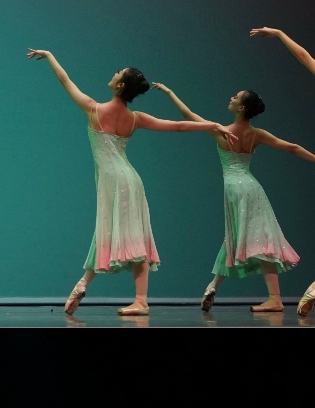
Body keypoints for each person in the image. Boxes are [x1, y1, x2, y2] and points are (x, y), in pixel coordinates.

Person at [26, 51, 236, 316]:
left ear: (120, 85)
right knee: (129, 235)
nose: (114, 73)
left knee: (110, 232)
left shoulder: (94, 108)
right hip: (130, 180)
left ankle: (106, 290)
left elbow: (64, 79)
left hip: (114, 182)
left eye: (118, 73)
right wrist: (213, 125)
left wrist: (49, 56)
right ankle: (127, 296)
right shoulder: (135, 118)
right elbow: (178, 126)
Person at [150, 83, 313, 314]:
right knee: (257, 239)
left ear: (242, 107)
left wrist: (169, 92)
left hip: (234, 190)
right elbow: (293, 147)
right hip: (252, 188)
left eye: (236, 97)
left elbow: (188, 115)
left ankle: (232, 290)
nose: (231, 98)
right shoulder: (256, 134)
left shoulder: (222, 131)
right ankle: (258, 294)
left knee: (241, 239)